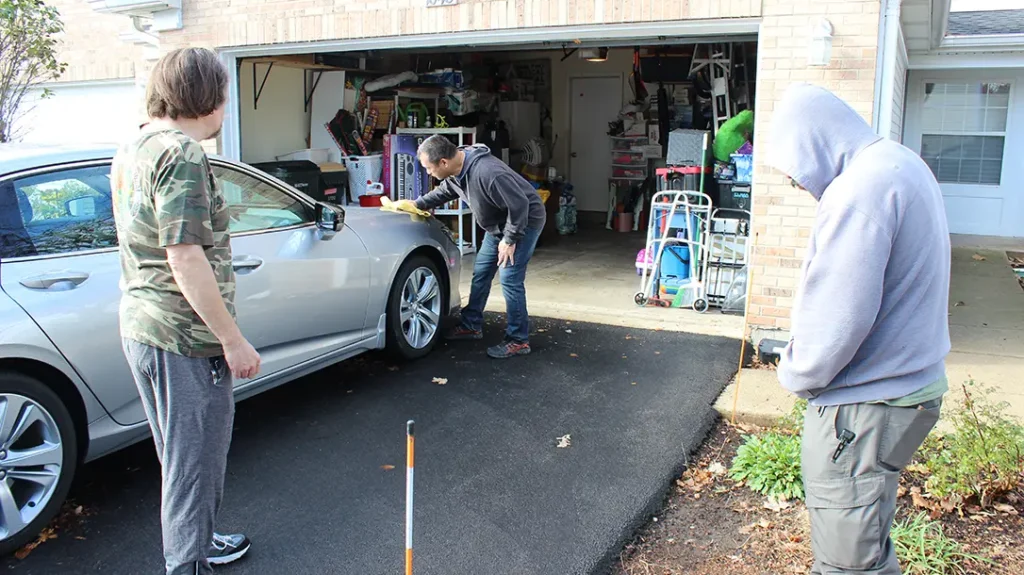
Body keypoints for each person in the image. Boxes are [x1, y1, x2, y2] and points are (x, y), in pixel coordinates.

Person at [767, 83, 951, 575]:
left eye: (794, 171)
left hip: (866, 405)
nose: (798, 185)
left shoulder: (856, 193)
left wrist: (794, 371)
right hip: (908, 386)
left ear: (814, 142)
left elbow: (838, 318)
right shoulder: (899, 163)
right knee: (867, 538)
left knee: (850, 564)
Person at [111, 47, 259, 575]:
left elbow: (156, 234)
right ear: (208, 96)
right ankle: (188, 562)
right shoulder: (182, 154)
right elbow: (184, 253)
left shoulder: (135, 145)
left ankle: (200, 538)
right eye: (224, 94)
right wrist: (231, 339)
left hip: (143, 327)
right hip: (182, 338)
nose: (226, 105)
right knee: (193, 464)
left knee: (180, 458)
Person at [399, 135, 546, 359]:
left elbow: (520, 205)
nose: (429, 173)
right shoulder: (457, 170)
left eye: (429, 169)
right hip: (497, 225)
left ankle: (518, 340)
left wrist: (509, 239)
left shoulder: (488, 173)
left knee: (510, 279)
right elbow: (447, 190)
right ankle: (471, 325)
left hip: (523, 222)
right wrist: (418, 204)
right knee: (481, 273)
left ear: (443, 163)